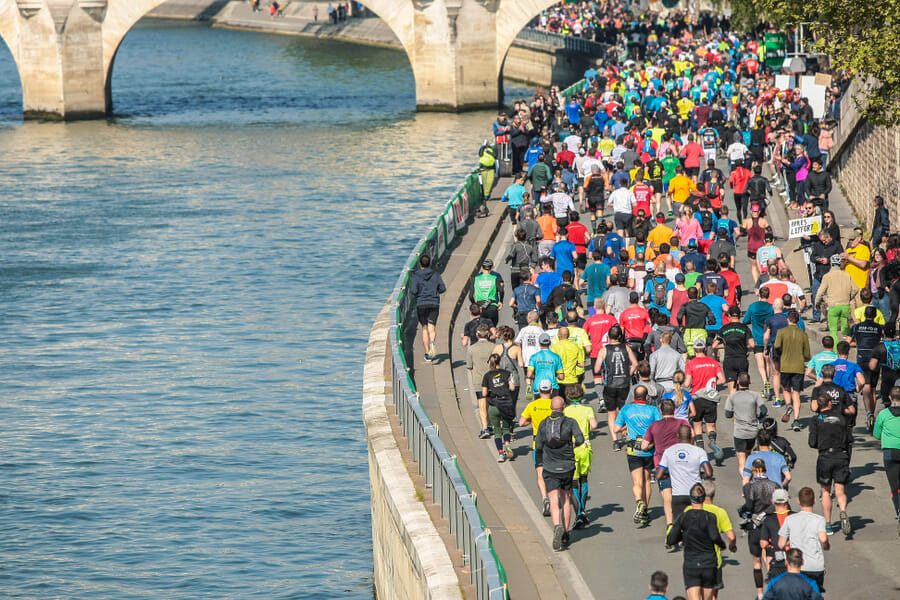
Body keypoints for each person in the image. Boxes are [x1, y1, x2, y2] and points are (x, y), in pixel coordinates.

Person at [535, 395, 585, 550]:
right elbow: (580, 439)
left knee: (553, 500)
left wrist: (541, 463)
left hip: (550, 467)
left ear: (551, 408)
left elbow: (538, 447)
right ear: (564, 407)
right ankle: (565, 533)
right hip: (567, 466)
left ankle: (557, 526)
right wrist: (570, 447)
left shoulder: (543, 425)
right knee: (566, 499)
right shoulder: (570, 422)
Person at [665, 483, 725, 600]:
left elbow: (671, 539)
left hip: (691, 564)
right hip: (709, 563)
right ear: (703, 499)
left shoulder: (683, 517)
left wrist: (682, 537)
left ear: (690, 498)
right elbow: (714, 536)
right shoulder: (710, 517)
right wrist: (722, 545)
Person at [614, 385, 662, 526]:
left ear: (634, 396)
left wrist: (625, 427)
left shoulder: (626, 409)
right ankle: (645, 510)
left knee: (637, 482)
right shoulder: (653, 410)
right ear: (646, 397)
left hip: (633, 450)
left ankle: (639, 502)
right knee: (647, 480)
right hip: (649, 449)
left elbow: (615, 429)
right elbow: (659, 427)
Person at [808, 390, 853, 536]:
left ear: (819, 406)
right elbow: (849, 439)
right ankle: (843, 511)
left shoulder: (816, 420)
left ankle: (828, 524)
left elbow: (812, 442)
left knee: (826, 491)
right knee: (840, 490)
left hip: (825, 456)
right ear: (829, 403)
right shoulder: (841, 418)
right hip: (841, 455)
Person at [685, 481, 737, 599]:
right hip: (713, 561)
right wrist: (732, 546)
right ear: (715, 494)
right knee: (713, 595)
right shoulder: (719, 512)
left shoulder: (688, 510)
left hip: (693, 560)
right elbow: (731, 536)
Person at [740, 458, 781, 599]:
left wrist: (742, 510)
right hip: (770, 525)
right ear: (765, 470)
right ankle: (772, 590)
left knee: (757, 561)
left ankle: (760, 593)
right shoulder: (774, 485)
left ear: (753, 471)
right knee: (770, 559)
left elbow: (749, 506)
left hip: (756, 526)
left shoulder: (749, 487)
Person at [778, 487, 830, 592]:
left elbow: (781, 544)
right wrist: (826, 546)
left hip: (797, 565)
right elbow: (823, 539)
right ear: (814, 501)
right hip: (815, 566)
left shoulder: (790, 519)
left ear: (798, 501)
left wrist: (791, 540)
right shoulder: (819, 519)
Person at [657, 425, 713, 521]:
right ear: (691, 435)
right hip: (696, 493)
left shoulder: (669, 451)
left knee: (679, 524)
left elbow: (659, 475)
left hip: (678, 494)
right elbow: (709, 473)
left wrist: (669, 475)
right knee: (697, 523)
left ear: (678, 436)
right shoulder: (699, 451)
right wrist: (701, 475)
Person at [595, 325, 637, 446]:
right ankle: (626, 433)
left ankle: (615, 440)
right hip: (624, 383)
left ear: (608, 336)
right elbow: (635, 363)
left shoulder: (604, 350)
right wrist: (628, 374)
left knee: (611, 413)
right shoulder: (626, 348)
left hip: (610, 384)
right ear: (620, 336)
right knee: (624, 411)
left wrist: (604, 365)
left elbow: (596, 368)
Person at [684, 339, 725, 459]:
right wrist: (712, 383)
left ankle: (701, 451)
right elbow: (722, 380)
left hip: (696, 397)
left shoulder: (690, 364)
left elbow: (687, 383)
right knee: (711, 425)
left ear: (694, 350)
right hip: (710, 397)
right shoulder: (713, 363)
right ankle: (712, 441)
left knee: (697, 425)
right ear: (705, 349)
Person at [563, 384, 597, 529]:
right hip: (585, 447)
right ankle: (583, 510)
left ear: (568, 396)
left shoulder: (565, 410)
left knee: (573, 483)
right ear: (582, 395)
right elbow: (594, 425)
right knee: (584, 479)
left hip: (571, 448)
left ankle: (578, 515)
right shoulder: (588, 409)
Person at [520, 380, 554, 516]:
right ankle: (553, 498)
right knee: (552, 472)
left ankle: (545, 497)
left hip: (538, 443)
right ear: (551, 391)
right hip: (554, 443)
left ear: (539, 391)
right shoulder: (555, 405)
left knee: (540, 473)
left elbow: (522, 422)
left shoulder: (532, 405)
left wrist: (532, 421)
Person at [774, 310, 811, 431]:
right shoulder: (803, 334)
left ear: (787, 320)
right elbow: (807, 354)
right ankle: (796, 420)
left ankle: (788, 404)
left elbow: (776, 346)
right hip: (798, 367)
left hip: (785, 365)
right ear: (798, 320)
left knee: (785, 389)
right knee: (797, 393)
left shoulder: (782, 332)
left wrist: (781, 354)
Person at [725, 372, 768, 475]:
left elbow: (727, 414)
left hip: (739, 432)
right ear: (750, 382)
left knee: (741, 461)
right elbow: (764, 410)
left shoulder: (732, 397)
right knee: (748, 454)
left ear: (738, 382)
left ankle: (746, 481)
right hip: (752, 431)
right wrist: (758, 418)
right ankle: (751, 475)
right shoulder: (755, 395)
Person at [849, 305, 884, 431]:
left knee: (866, 388)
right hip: (875, 359)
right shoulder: (879, 328)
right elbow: (884, 340)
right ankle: (872, 415)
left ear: (864, 314)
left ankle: (869, 413)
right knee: (873, 389)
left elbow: (848, 341)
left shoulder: (856, 327)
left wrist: (858, 344)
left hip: (862, 359)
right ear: (875, 316)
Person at [408, 254, 446, 362]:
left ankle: (428, 353)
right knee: (432, 327)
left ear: (420, 264)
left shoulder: (416, 275)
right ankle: (432, 342)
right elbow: (442, 288)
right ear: (430, 263)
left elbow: (414, 291)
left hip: (421, 304)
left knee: (424, 328)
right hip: (434, 303)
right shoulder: (436, 274)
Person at [873, 385, 900, 535]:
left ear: (890, 398)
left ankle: (899, 511)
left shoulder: (884, 414)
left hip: (890, 452)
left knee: (895, 487)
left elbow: (876, 434)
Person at [815, 255, 857, 349]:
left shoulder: (827, 276)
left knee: (833, 330)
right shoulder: (847, 276)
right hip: (845, 305)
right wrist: (849, 297)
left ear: (831, 263)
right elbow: (855, 288)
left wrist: (817, 303)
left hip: (833, 306)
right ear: (841, 263)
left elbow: (820, 291)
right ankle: (845, 348)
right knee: (845, 328)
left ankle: (834, 351)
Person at [482, 353, 517, 462]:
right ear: (500, 362)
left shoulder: (487, 376)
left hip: (494, 405)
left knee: (497, 431)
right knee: (506, 428)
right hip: (506, 404)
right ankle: (507, 444)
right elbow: (512, 387)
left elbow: (484, 393)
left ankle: (501, 455)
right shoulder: (507, 373)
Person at [714, 307, 753, 394]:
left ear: (729, 316)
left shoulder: (724, 329)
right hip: (742, 359)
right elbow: (752, 344)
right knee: (743, 388)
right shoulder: (745, 328)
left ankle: (733, 405)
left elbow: (714, 345)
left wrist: (726, 345)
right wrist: (745, 346)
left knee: (732, 390)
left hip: (729, 360)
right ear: (740, 315)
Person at [758, 489, 794, 585]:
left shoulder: (768, 520)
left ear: (773, 502)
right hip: (795, 558)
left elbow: (763, 543)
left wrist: (770, 545)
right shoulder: (795, 517)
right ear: (788, 501)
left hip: (776, 558)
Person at [466, 324, 496, 439]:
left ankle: (484, 428)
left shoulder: (471, 349)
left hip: (479, 380)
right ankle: (490, 424)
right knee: (491, 403)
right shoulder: (494, 347)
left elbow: (470, 367)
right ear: (488, 334)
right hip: (492, 379)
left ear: (477, 335)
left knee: (482, 405)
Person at [744, 287, 775, 396]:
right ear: (768, 295)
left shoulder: (753, 307)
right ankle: (768, 382)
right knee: (767, 362)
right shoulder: (771, 307)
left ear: (759, 295)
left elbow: (745, 320)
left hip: (757, 339)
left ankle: (764, 381)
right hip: (769, 339)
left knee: (760, 364)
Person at [870, 322, 900, 408]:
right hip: (898, 378)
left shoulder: (880, 347)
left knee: (888, 405)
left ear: (883, 332)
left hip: (887, 381)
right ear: (895, 332)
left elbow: (872, 366)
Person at [468, 259, 504, 326]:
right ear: (491, 268)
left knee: (482, 329)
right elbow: (501, 290)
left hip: (481, 307)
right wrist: (500, 302)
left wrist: (475, 305)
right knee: (493, 329)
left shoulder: (475, 279)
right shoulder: (494, 278)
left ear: (482, 268)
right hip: (492, 306)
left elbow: (470, 296)